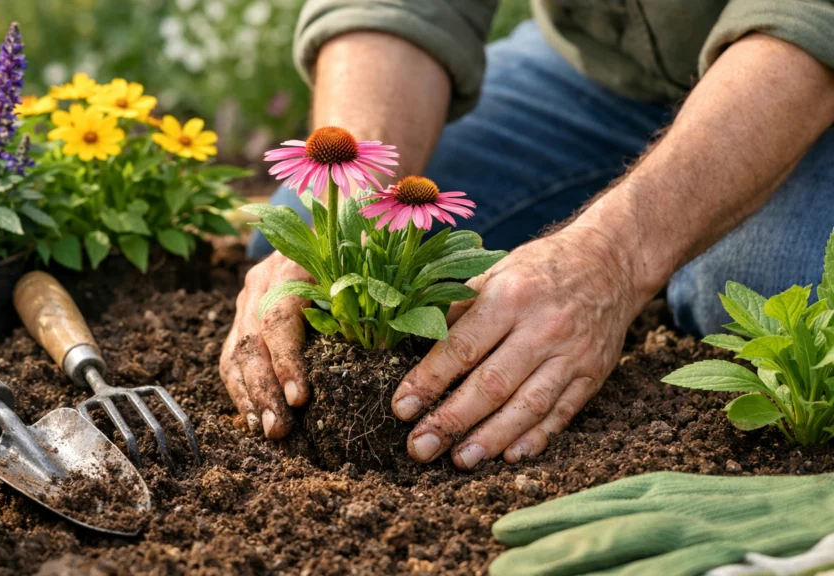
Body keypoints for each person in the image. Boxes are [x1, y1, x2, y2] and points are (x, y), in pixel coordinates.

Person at [220, 0, 834, 470]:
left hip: (803, 65)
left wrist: (614, 257)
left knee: (741, 289)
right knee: (291, 239)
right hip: (604, 75)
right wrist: (343, 225)